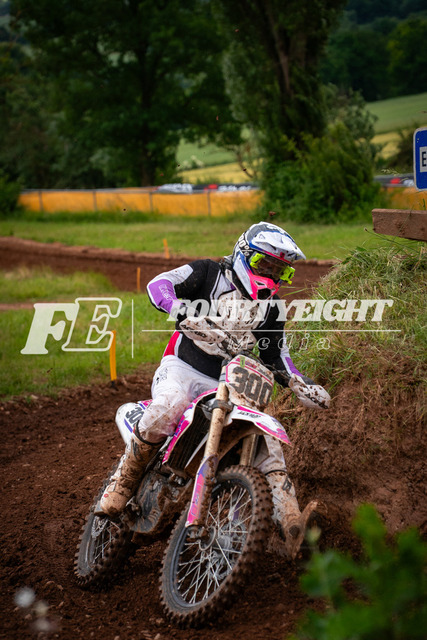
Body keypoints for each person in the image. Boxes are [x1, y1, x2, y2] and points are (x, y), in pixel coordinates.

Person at [100, 222, 330, 556]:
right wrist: (177, 307)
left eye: (280, 270)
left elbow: (276, 354)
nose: (270, 274)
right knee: (168, 406)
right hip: (184, 368)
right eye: (264, 264)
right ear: (243, 254)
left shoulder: (272, 307)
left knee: (267, 444)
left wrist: (298, 382)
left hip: (231, 381)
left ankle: (293, 525)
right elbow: (159, 284)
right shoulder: (209, 273)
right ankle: (123, 481)